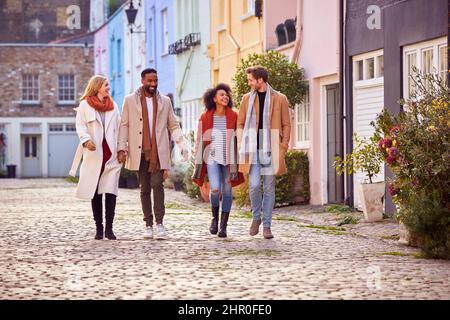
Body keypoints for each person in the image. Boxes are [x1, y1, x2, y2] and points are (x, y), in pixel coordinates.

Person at [117, 68, 188, 240]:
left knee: (157, 184)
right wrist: (122, 147)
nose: (153, 84)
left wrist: (181, 144)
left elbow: (173, 124)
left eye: (155, 80)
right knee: (145, 187)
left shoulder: (165, 101)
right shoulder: (129, 100)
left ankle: (159, 223)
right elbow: (124, 125)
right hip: (139, 150)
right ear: (142, 81)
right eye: (150, 81)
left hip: (159, 151)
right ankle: (148, 224)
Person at [237, 66, 291, 239]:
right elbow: (240, 122)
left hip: (271, 148)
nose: (249, 83)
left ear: (260, 80)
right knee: (253, 185)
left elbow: (286, 123)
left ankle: (267, 225)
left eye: (251, 80)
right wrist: (240, 141)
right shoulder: (247, 98)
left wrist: (283, 145)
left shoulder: (280, 98)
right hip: (252, 149)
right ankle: (256, 218)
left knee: (268, 188)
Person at [70, 75, 122, 240]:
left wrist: (122, 149)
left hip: (111, 156)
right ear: (97, 86)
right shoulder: (85, 105)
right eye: (106, 85)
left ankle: (110, 229)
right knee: (96, 192)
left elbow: (120, 129)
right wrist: (86, 140)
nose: (108, 87)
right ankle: (99, 229)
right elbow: (80, 126)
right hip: (94, 155)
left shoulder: (113, 106)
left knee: (111, 191)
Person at [192, 84, 245, 238]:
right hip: (212, 158)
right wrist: (197, 154)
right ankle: (214, 218)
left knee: (228, 191)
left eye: (227, 95)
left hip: (229, 159)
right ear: (214, 99)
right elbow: (200, 138)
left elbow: (239, 136)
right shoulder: (206, 116)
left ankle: (223, 226)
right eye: (221, 95)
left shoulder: (234, 116)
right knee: (215, 189)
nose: (225, 97)